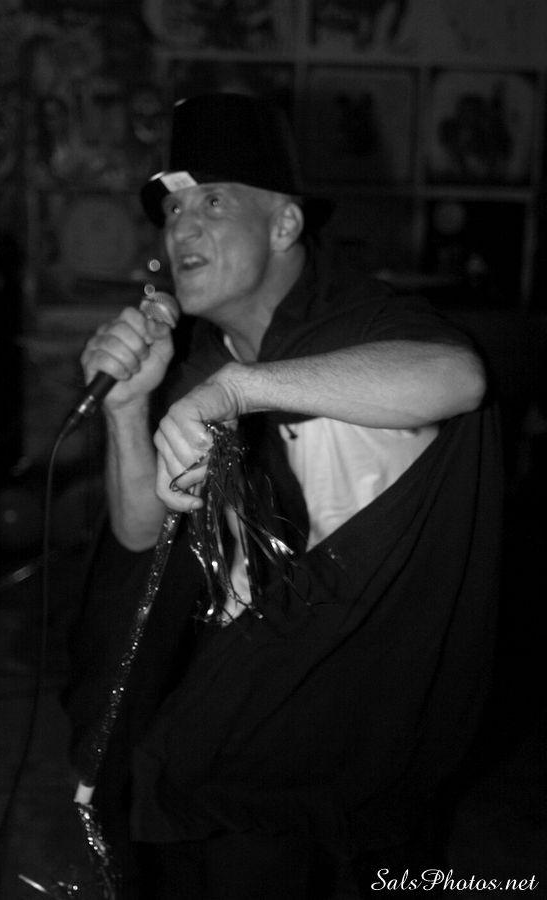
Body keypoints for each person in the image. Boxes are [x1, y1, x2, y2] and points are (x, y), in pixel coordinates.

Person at [65, 93, 503, 899]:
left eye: (212, 202)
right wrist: (131, 407)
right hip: (252, 713)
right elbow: (140, 533)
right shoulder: (200, 359)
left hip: (368, 710)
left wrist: (244, 389)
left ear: (285, 225)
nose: (181, 228)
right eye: (172, 210)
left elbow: (459, 376)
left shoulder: (359, 318)